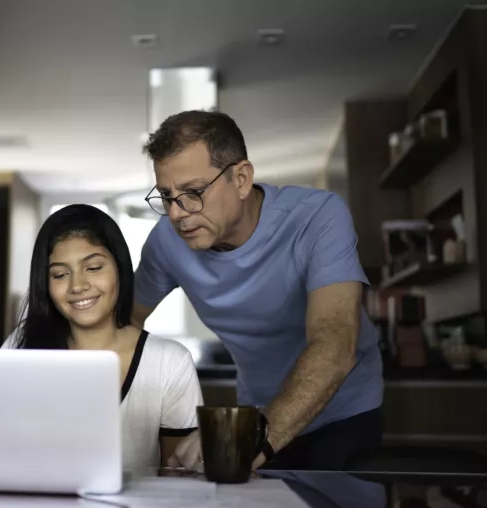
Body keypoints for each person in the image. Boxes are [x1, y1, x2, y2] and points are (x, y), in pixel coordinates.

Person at [133, 110, 383, 471]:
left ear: (241, 179)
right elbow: (123, 325)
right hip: (257, 410)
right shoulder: (166, 243)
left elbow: (335, 343)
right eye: (167, 196)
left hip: (344, 411)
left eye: (193, 192)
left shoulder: (318, 217)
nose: (176, 213)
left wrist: (252, 437)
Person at [3, 204, 204, 472]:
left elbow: (179, 479)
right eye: (60, 274)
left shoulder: (169, 363)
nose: (77, 286)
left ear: (120, 269)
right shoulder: (21, 346)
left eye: (94, 267)